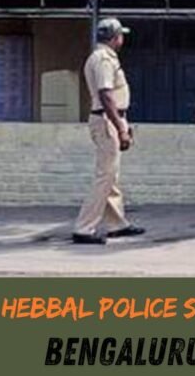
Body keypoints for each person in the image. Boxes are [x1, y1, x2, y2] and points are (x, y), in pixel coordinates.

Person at [72, 18, 145, 245]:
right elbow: (106, 95)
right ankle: (84, 227)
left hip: (110, 119)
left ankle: (117, 224)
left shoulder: (102, 57)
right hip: (106, 121)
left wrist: (122, 123)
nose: (122, 39)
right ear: (114, 38)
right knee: (105, 176)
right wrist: (119, 127)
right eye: (120, 35)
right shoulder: (104, 59)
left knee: (111, 175)